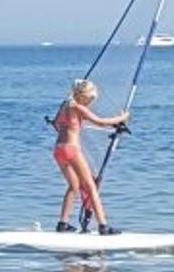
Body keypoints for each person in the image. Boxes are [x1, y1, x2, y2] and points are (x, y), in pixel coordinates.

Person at [52, 79, 129, 234]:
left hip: (58, 150)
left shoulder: (64, 106)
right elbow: (100, 122)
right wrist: (122, 118)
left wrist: (72, 126)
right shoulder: (78, 107)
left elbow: (56, 124)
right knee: (91, 186)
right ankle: (103, 226)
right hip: (72, 150)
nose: (90, 102)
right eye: (89, 99)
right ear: (81, 96)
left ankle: (62, 224)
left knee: (73, 186)